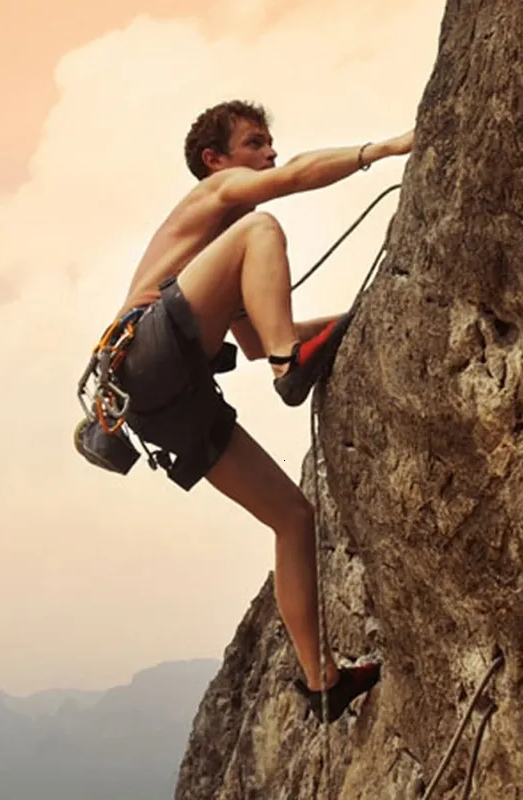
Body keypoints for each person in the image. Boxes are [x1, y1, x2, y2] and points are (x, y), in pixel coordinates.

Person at [105, 100, 413, 722]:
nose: (269, 154)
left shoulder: (222, 269)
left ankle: (320, 679)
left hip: (160, 403)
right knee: (264, 224)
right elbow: (293, 178)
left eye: (270, 143)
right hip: (144, 351)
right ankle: (291, 366)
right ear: (215, 161)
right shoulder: (218, 198)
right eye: (254, 143)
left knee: (293, 519)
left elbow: (256, 341)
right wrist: (380, 150)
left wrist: (365, 315)